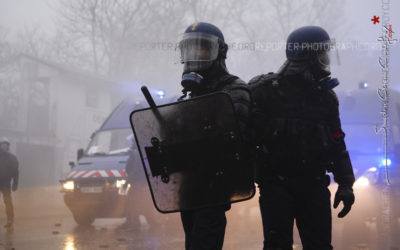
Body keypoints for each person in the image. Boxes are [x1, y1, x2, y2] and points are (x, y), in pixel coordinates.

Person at [249, 26, 355, 250]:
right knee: (277, 246)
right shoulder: (265, 91)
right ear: (307, 55)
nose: (326, 59)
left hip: (314, 185)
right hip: (276, 186)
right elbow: (244, 136)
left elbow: (337, 141)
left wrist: (346, 184)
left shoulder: (326, 98)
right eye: (323, 53)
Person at [177, 22, 252, 250]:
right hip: (190, 189)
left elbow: (232, 137)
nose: (195, 55)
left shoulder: (235, 90)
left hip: (214, 187)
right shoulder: (191, 95)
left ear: (220, 52)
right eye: (189, 49)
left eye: (202, 48)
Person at [0, 137, 19, 228]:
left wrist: (15, 183)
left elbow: (16, 172)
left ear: (8, 146)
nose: (3, 147)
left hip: (6, 183)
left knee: (7, 202)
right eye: (2, 145)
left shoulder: (12, 158)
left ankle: (10, 219)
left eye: (5, 145)